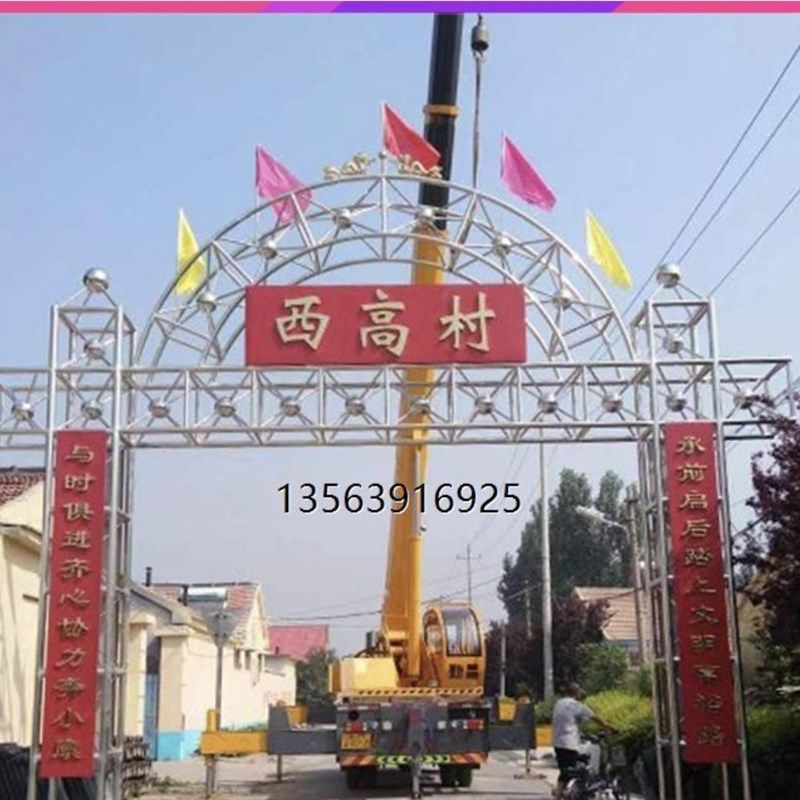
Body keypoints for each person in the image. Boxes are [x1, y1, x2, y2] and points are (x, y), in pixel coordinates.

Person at [551, 682, 616, 799]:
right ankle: (567, 792)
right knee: (573, 771)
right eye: (579, 691)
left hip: (557, 742)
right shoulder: (576, 705)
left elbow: (567, 720)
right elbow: (594, 718)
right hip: (569, 743)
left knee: (565, 771)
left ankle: (559, 793)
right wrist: (609, 727)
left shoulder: (559, 703)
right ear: (576, 692)